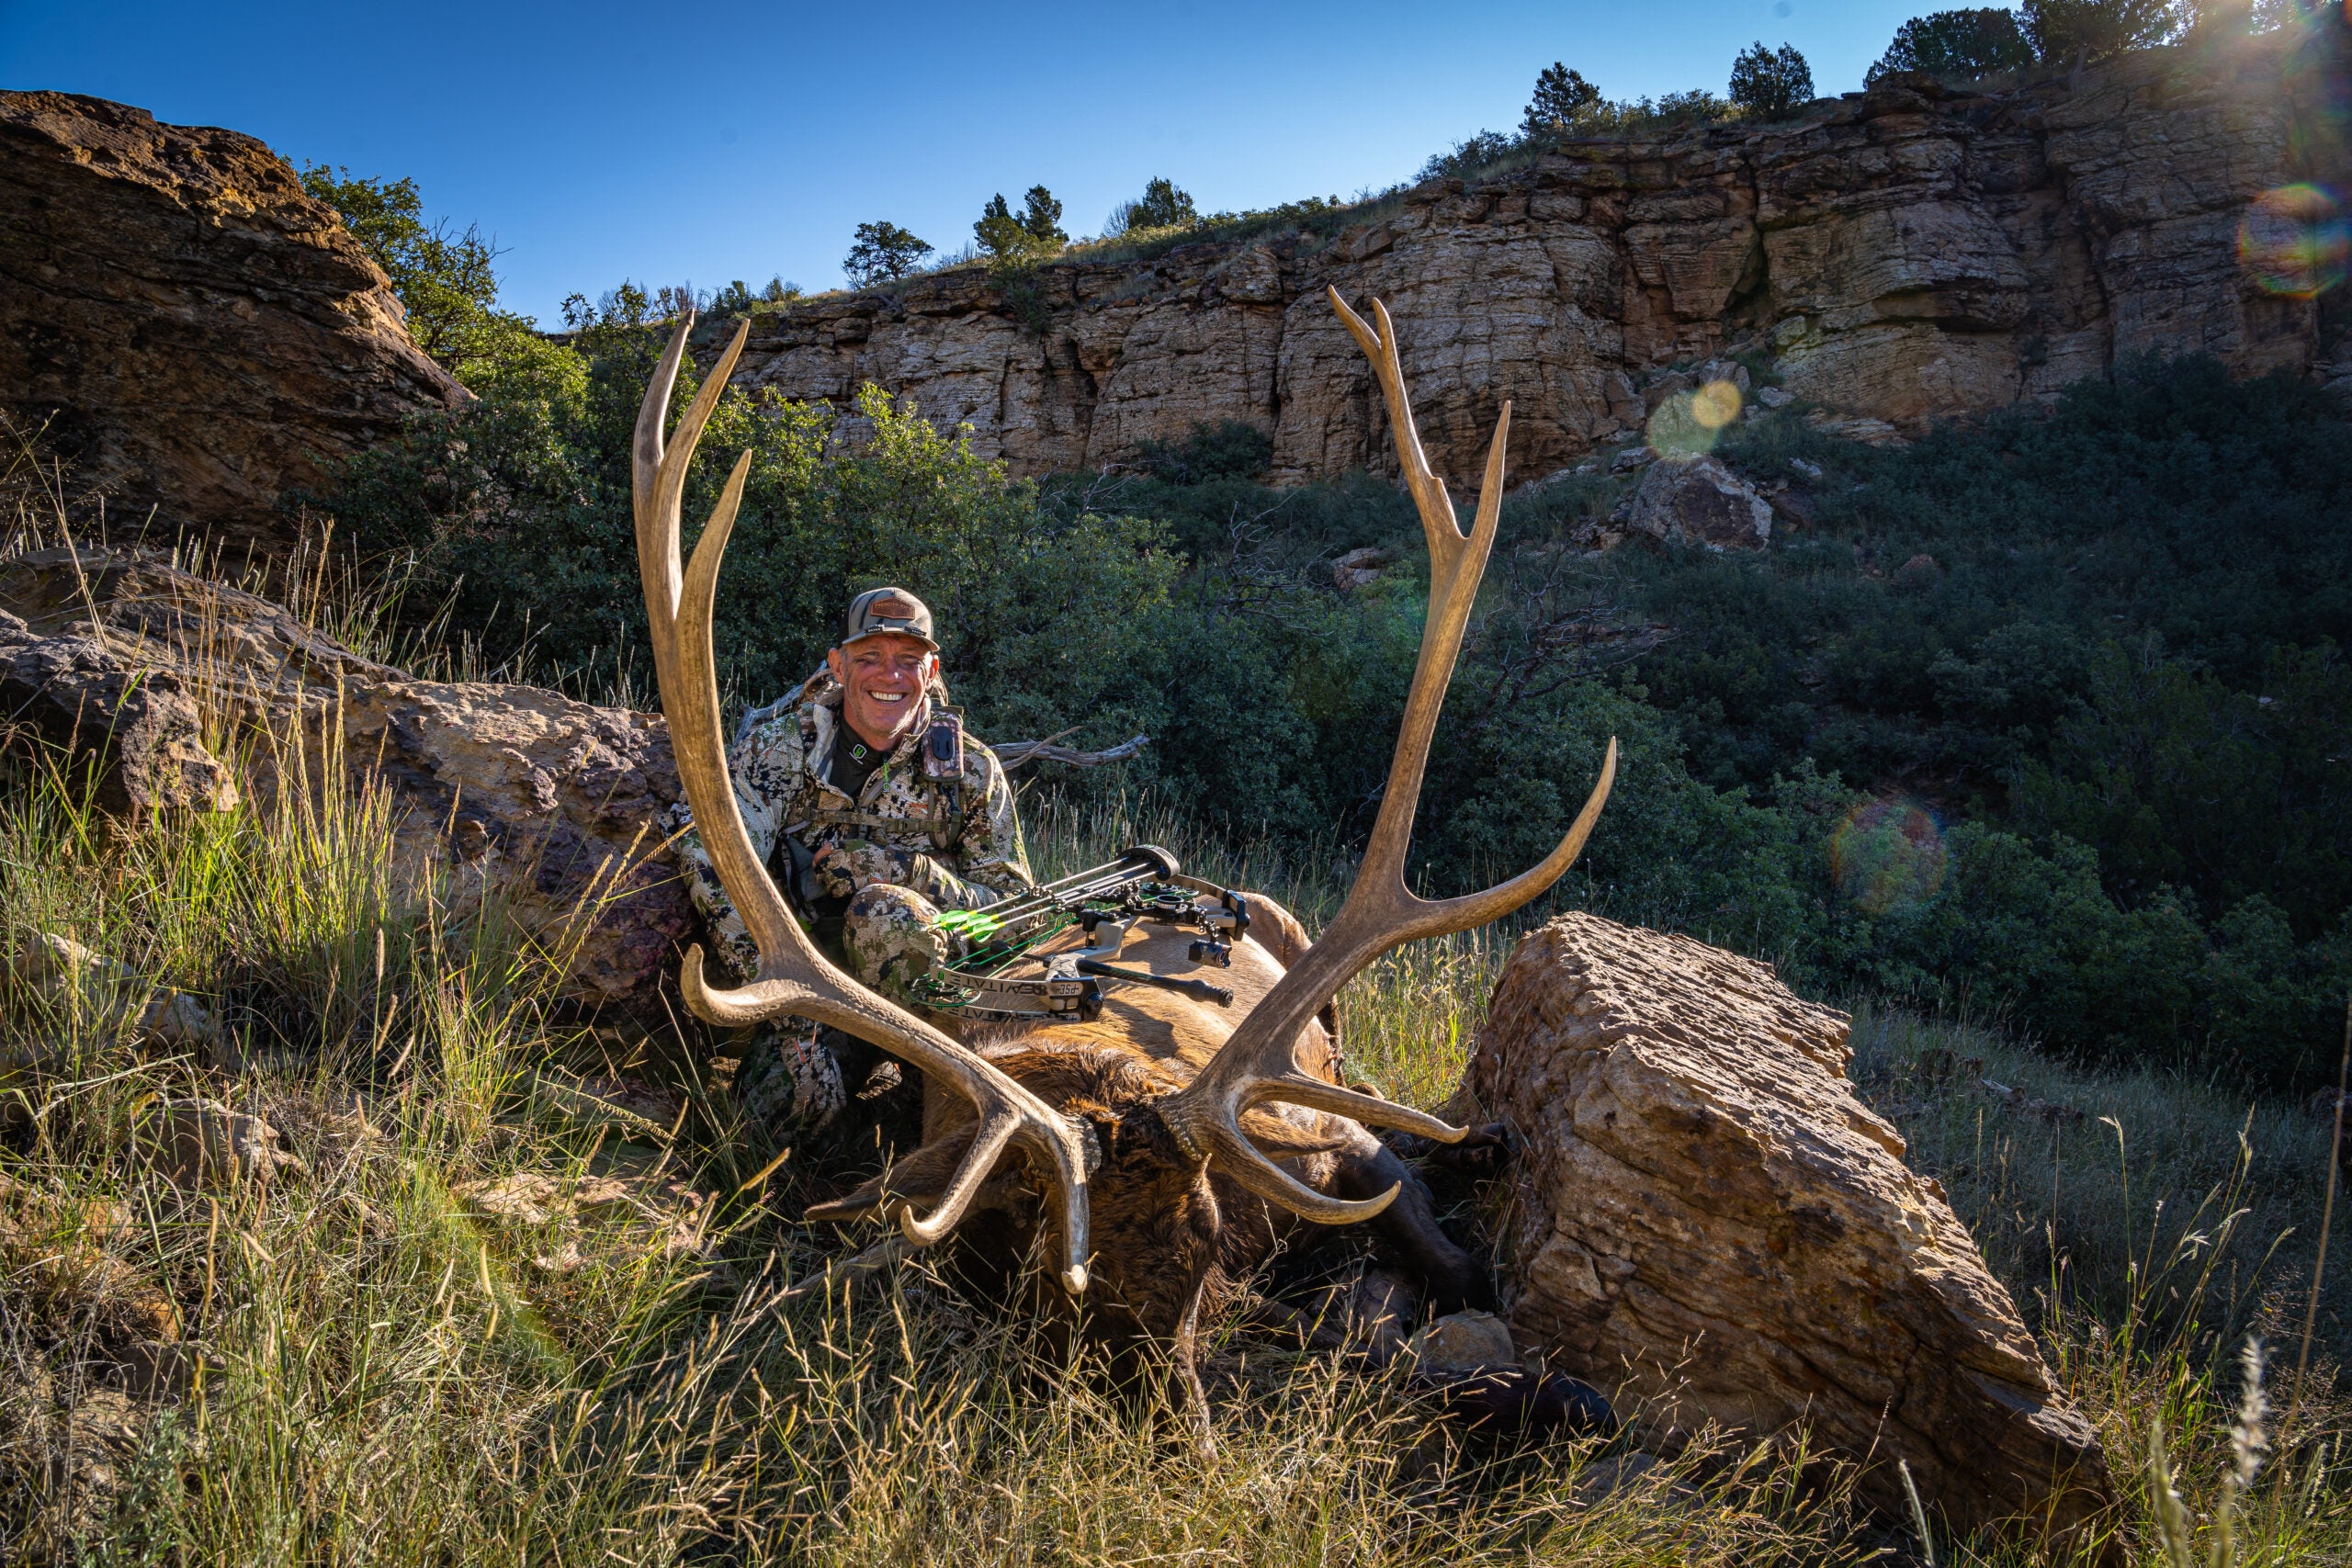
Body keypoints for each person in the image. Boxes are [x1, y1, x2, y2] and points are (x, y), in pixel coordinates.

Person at [672, 586, 1034, 1132]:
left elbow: (1016, 911)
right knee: (770, 1124)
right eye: (869, 657)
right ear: (838, 666)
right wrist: (784, 1004)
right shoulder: (781, 750)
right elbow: (712, 853)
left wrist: (913, 875)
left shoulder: (972, 772)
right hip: (814, 994)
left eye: (909, 659)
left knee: (886, 916)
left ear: (932, 670)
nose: (891, 675)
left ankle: (922, 1092)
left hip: (940, 1011)